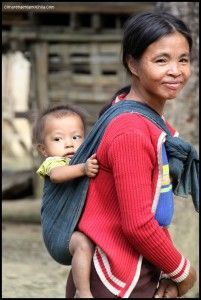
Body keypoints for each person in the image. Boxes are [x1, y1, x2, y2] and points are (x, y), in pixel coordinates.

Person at [65, 11, 198, 298]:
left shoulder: (132, 110)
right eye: (161, 60)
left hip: (136, 267)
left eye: (183, 59)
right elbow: (138, 225)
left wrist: (166, 270)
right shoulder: (131, 131)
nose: (176, 70)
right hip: (116, 277)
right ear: (133, 64)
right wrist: (184, 272)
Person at [33, 105, 99, 298]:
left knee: (88, 244)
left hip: (74, 230)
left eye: (76, 137)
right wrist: (84, 169)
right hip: (58, 234)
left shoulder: (83, 159)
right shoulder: (53, 163)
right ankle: (83, 292)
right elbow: (57, 176)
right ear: (43, 149)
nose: (69, 144)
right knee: (83, 243)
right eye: (58, 139)